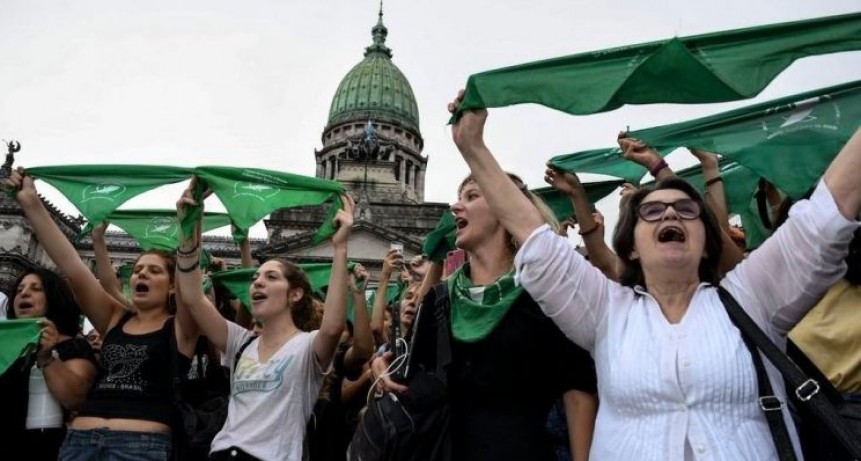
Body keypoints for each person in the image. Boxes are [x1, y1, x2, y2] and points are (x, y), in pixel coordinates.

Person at [448, 90, 861, 460]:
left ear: (706, 240)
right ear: (630, 245)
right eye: (651, 211)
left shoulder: (753, 297)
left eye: (686, 210)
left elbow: (825, 215)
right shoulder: (606, 311)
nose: (668, 213)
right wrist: (473, 147)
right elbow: (532, 236)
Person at [370, 170, 598, 461]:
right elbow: (413, 378)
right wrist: (383, 366)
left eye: (472, 196)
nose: (455, 207)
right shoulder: (439, 300)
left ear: (506, 208)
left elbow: (577, 391)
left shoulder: (546, 295)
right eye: (458, 197)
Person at [4, 167, 201, 460]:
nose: (141, 275)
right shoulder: (114, 317)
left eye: (154, 270)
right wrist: (30, 202)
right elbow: (72, 265)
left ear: (173, 286)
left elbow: (192, 287)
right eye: (137, 270)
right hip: (80, 442)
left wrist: (188, 230)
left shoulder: (182, 327)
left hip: (141, 446)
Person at [174, 180, 355, 461]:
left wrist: (341, 248)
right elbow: (193, 297)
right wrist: (187, 231)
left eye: (271, 277)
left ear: (295, 294)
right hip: (222, 454)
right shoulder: (239, 342)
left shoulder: (308, 348)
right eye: (255, 278)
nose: (257, 282)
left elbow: (332, 327)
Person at [0, 268, 99, 459]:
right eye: (19, 289)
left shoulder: (73, 346)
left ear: (54, 297)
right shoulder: (6, 345)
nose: (24, 293)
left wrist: (47, 358)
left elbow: (76, 398)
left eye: (36, 288)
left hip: (45, 449)